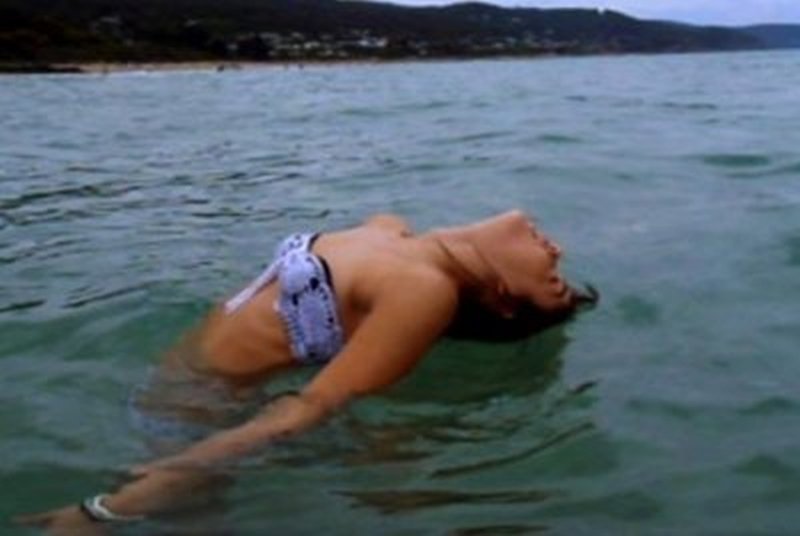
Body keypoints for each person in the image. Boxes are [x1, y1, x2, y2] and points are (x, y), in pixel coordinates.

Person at [18, 209, 597, 533]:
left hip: (198, 420)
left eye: (553, 284)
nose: (558, 253)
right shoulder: (390, 230)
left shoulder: (425, 290)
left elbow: (309, 407)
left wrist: (105, 510)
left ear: (502, 298)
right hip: (185, 400)